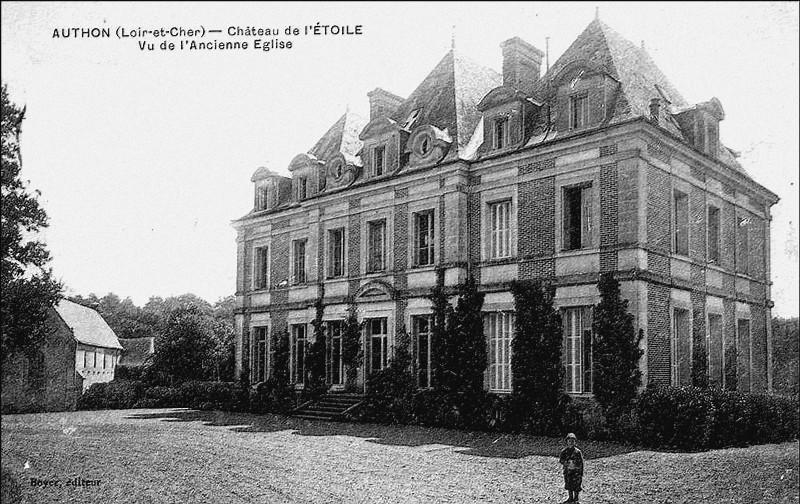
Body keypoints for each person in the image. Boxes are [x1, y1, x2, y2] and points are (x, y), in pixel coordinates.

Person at [558, 432, 584, 503]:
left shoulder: (578, 452)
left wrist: (580, 471)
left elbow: (581, 462)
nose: (571, 443)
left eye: (573, 441)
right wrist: (567, 462)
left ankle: (576, 498)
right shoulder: (564, 451)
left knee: (577, 485)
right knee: (569, 484)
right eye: (569, 441)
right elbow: (561, 460)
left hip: (576, 472)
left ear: (575, 442)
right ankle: (570, 497)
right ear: (567, 442)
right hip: (568, 471)